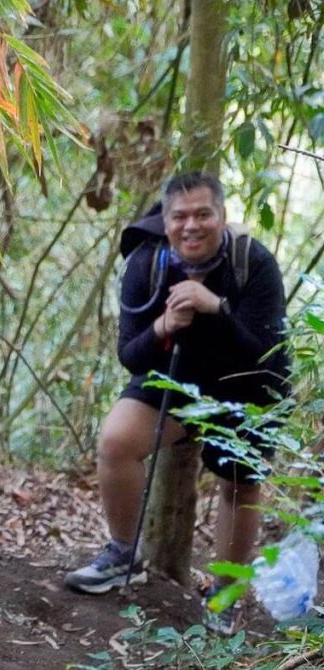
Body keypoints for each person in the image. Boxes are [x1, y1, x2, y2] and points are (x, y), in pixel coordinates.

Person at [64, 171, 289, 635]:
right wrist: (164, 327)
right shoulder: (147, 264)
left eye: (203, 214)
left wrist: (216, 308)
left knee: (240, 481)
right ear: (165, 222)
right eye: (180, 216)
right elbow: (131, 355)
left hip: (247, 383)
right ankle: (125, 554)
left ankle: (224, 594)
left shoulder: (254, 263)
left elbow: (266, 356)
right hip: (178, 377)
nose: (192, 226)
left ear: (222, 217)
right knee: (117, 440)